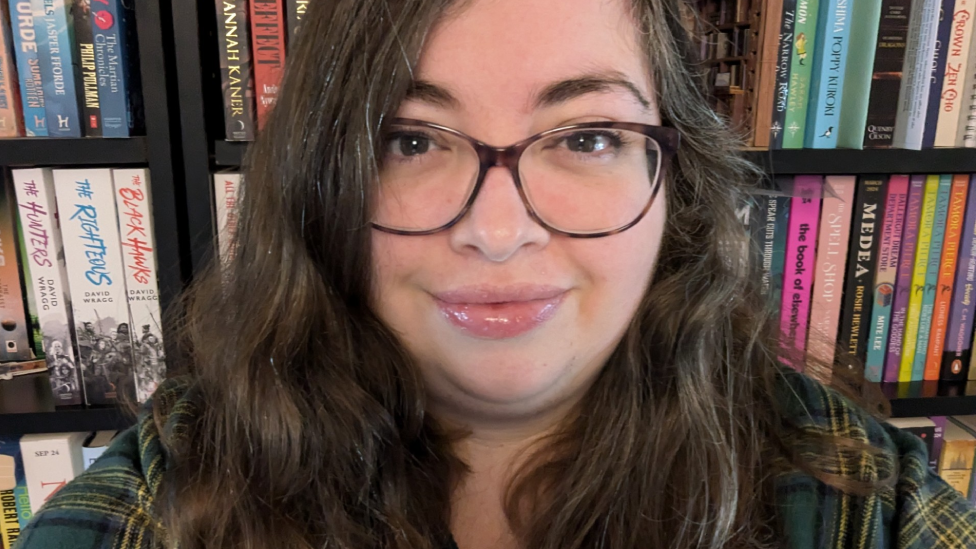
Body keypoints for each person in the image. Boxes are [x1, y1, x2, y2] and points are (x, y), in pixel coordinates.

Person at [15, 0, 976, 547]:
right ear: (321, 182)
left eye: (589, 135)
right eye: (409, 138)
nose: (499, 229)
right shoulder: (166, 494)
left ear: (673, 177)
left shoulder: (859, 497)